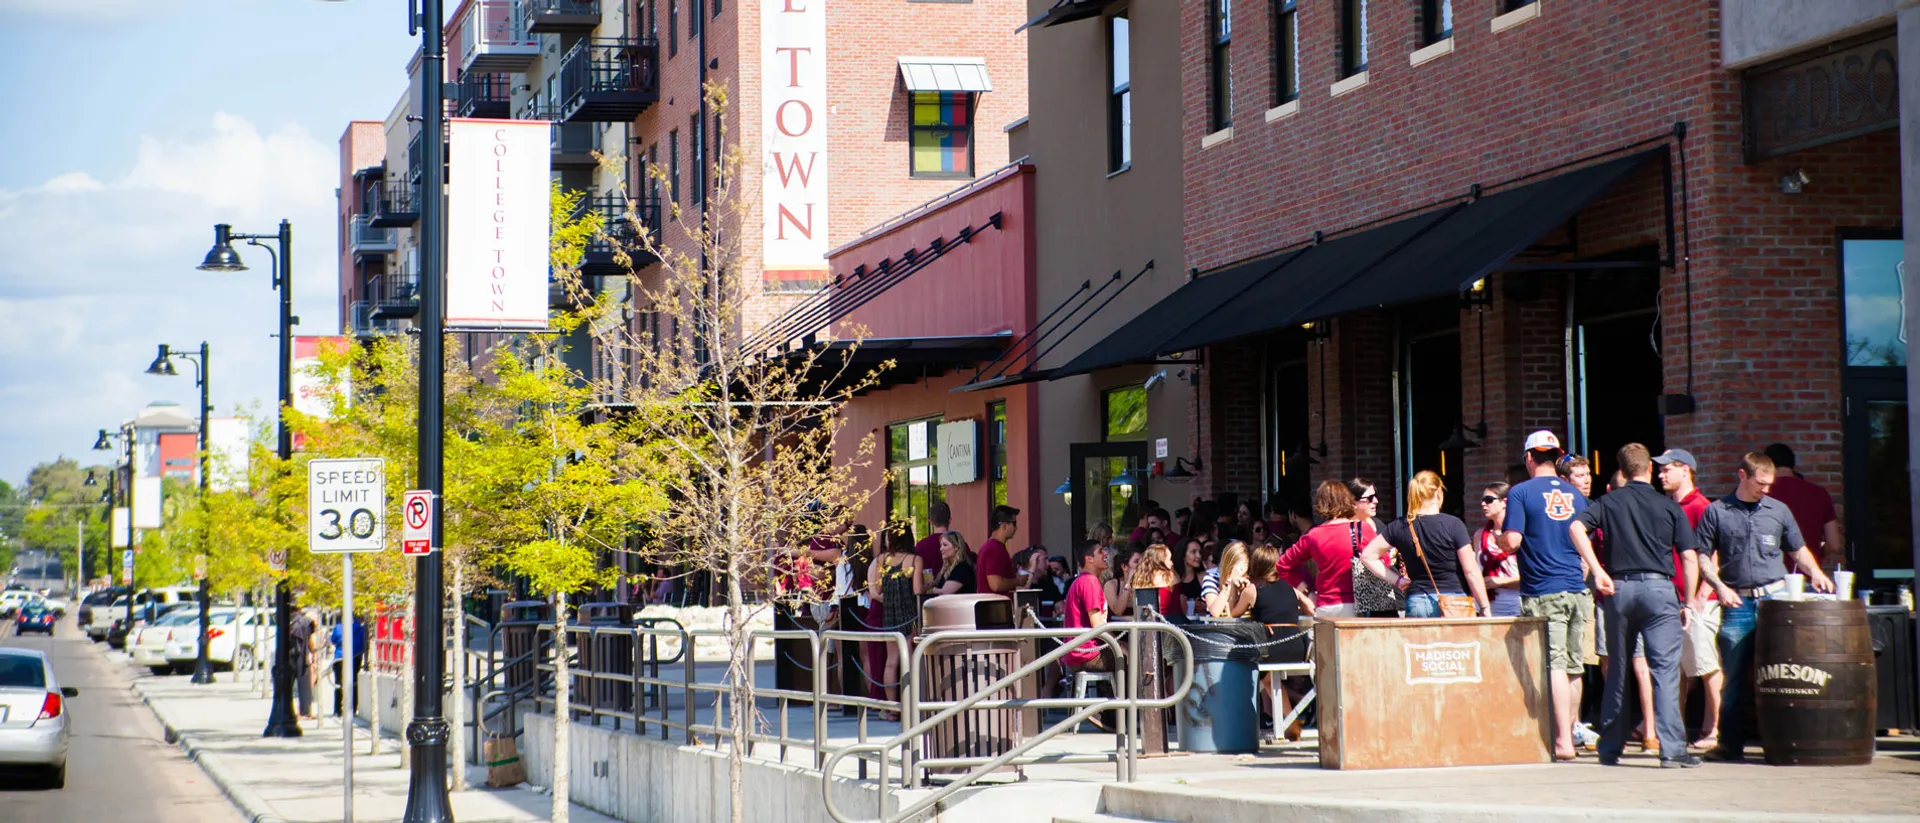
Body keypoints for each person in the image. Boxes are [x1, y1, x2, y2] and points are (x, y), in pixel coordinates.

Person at [1695, 452, 1837, 762]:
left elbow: (1798, 549)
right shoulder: (1717, 511)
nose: (1766, 489)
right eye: (1760, 483)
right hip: (1737, 601)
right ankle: (1729, 745)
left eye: (1769, 484)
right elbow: (1703, 556)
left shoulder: (1778, 510)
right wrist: (1719, 587)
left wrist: (1816, 573)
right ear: (1742, 476)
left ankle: (1786, 741)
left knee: (1784, 672)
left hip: (1775, 601)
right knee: (1733, 676)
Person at [1569, 443, 1703, 768]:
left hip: (1620, 589)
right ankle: (1672, 751)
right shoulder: (1668, 506)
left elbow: (1575, 527)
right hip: (1660, 590)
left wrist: (1598, 570)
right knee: (1665, 672)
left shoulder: (1609, 502)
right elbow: (1689, 557)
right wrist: (1687, 601)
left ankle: (1610, 748)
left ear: (1622, 471)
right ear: (1649, 469)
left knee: (1618, 669)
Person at [1502, 430, 1596, 761]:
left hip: (1544, 589)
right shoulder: (1576, 494)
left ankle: (1561, 741)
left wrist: (1500, 541)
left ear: (1529, 458)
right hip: (1576, 588)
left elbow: (1513, 541)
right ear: (1557, 459)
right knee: (1573, 666)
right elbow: (1586, 544)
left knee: (1555, 664)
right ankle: (1570, 731)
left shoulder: (1520, 492)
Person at [1655, 448, 1722, 749]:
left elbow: (1713, 554)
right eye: (1660, 470)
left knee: (1707, 665)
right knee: (1679, 669)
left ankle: (1715, 729)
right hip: (1675, 599)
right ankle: (1676, 731)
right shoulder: (1671, 506)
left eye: (1667, 469)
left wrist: (1701, 595)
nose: (1661, 475)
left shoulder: (1700, 506)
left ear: (1685, 470)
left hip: (1697, 602)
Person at [1362, 470, 1490, 617]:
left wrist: (1397, 581)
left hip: (1418, 601)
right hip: (1454, 601)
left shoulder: (1400, 526)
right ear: (1439, 493)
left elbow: (1367, 556)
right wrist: (1484, 606)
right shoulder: (1454, 524)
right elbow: (1471, 571)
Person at [1228, 541, 1310, 741]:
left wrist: (1233, 588)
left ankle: (1287, 721)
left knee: (1260, 675)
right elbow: (1310, 607)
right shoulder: (1291, 589)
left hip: (1272, 647)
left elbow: (1233, 613)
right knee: (1268, 677)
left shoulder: (1253, 590)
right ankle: (1290, 722)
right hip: (1297, 647)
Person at [1278, 480, 1377, 618]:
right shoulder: (1362, 529)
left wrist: (1306, 592)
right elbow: (1384, 562)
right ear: (1346, 499)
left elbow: (1282, 565)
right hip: (1356, 604)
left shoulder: (1313, 535)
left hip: (1324, 606)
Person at [867, 525, 924, 713]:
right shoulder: (914, 560)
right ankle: (911, 705)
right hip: (909, 615)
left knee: (891, 661)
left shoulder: (882, 559)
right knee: (910, 661)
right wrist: (928, 584)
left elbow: (878, 589)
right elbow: (917, 590)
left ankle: (893, 709)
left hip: (889, 615)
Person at [1762, 443, 1844, 571]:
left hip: (1770, 574)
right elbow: (1834, 544)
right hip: (1809, 573)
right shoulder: (1819, 494)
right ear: (1793, 465)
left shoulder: (1761, 494)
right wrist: (1815, 555)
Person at [1062, 541, 1117, 679]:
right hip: (1087, 654)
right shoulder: (1089, 581)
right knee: (1134, 659)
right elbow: (1098, 625)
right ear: (1089, 559)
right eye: (1100, 551)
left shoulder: (1083, 580)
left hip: (1078, 653)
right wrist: (1119, 646)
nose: (1105, 553)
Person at [1475, 483, 1522, 618]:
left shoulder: (1518, 535)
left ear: (1504, 502)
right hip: (1486, 609)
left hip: (1515, 607)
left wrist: (1502, 581)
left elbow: (1532, 576)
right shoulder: (1480, 535)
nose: (1483, 504)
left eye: (1489, 500)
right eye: (1482, 500)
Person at [1129, 543, 1185, 617]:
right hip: (1171, 621)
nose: (1172, 563)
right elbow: (1182, 603)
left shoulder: (1138, 578)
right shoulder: (1171, 576)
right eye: (1169, 559)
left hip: (1147, 622)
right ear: (1160, 561)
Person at [975, 505, 1022, 594]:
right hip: (996, 602)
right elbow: (996, 584)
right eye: (1014, 523)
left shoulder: (991, 547)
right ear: (1004, 526)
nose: (1016, 528)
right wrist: (1019, 581)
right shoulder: (995, 549)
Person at [330, 612, 368, 718]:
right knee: (353, 683)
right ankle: (353, 708)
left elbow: (333, 640)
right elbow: (363, 644)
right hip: (354, 657)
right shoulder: (361, 629)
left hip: (339, 658)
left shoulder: (338, 627)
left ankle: (337, 709)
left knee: (338, 683)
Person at [1202, 540, 1250, 617]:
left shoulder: (1248, 581)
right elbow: (1215, 612)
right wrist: (1230, 583)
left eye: (1243, 566)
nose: (1240, 571)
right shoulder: (1212, 577)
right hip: (1216, 624)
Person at [914, 502, 952, 589]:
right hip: (955, 594)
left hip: (928, 593)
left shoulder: (921, 546)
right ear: (950, 520)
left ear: (930, 522)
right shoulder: (959, 544)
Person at [289, 605, 317, 721]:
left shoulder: (284, 620)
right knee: (304, 684)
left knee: (287, 685)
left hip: (287, 656)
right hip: (302, 655)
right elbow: (310, 639)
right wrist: (314, 652)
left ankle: (288, 711)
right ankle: (305, 712)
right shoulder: (306, 621)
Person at [933, 531, 977, 595]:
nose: (941, 549)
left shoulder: (962, 567)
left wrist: (932, 590)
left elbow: (945, 592)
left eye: (945, 545)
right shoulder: (948, 567)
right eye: (941, 545)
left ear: (956, 546)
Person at [1176, 538, 1207, 607]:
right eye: (1193, 552)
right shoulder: (1173, 577)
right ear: (1183, 555)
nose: (1198, 556)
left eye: (1200, 552)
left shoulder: (1203, 577)